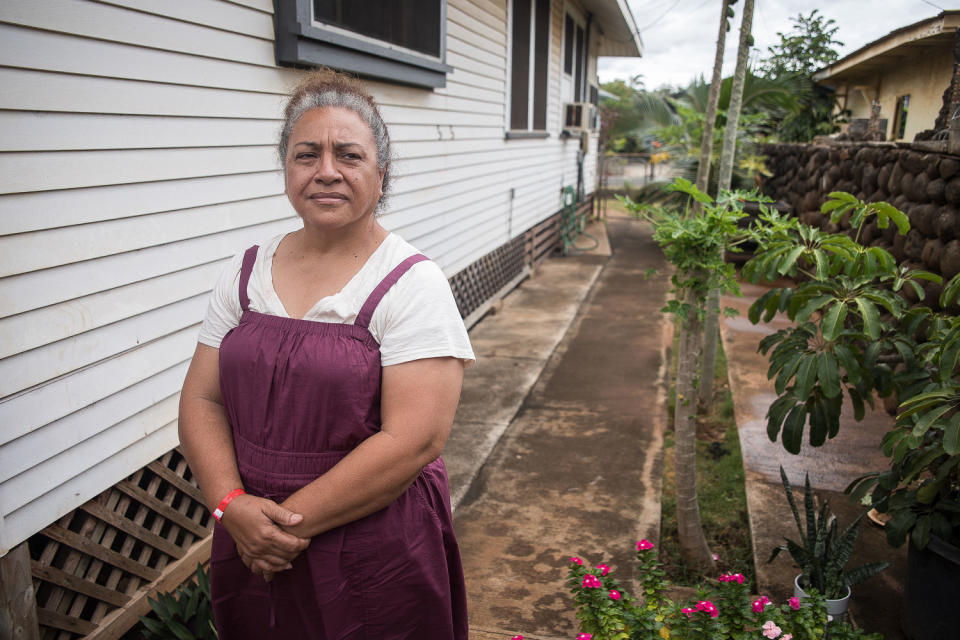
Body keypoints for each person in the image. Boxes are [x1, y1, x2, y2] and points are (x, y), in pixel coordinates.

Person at [178, 68, 474, 639]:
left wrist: (279, 530)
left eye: (350, 156)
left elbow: (414, 439)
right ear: (287, 169)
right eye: (307, 154)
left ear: (381, 175)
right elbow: (202, 397)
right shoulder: (245, 274)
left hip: (370, 541)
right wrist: (230, 507)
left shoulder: (411, 283)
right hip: (250, 528)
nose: (327, 172)